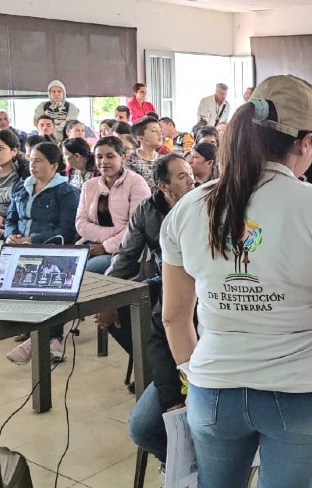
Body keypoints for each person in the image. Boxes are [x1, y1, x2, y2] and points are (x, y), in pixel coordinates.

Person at [160, 75, 312, 487]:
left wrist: (199, 372)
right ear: (305, 141)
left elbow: (173, 318)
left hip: (214, 390)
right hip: (304, 394)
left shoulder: (189, 208)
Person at [125, 154, 196, 464]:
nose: (191, 180)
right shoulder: (177, 273)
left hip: (223, 371)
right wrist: (171, 399)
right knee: (143, 427)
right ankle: (180, 464)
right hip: (183, 368)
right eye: (182, 176)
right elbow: (160, 330)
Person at [3, 141, 80, 363]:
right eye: (31, 160)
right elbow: (11, 219)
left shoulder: (65, 192)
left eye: (39, 161)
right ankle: (30, 326)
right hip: (19, 245)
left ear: (54, 165)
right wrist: (11, 235)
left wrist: (32, 239)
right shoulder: (22, 187)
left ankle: (49, 336)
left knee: (43, 269)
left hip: (50, 246)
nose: (32, 166)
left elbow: (66, 231)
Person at [76, 136, 151, 274]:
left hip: (126, 250)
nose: (103, 161)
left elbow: (136, 229)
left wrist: (105, 246)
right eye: (99, 157)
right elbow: (81, 223)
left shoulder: (136, 183)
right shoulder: (89, 185)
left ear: (122, 157)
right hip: (91, 244)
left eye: (110, 156)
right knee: (64, 269)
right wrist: (113, 232)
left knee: (84, 272)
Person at [126, 117, 165, 190]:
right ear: (141, 138)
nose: (160, 133)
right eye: (154, 131)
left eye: (159, 130)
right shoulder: (129, 160)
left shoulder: (164, 160)